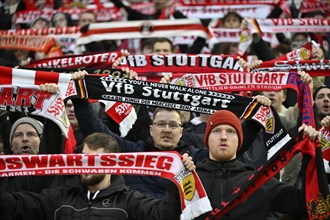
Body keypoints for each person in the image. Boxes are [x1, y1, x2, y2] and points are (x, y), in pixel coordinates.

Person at [0, 132, 195, 220]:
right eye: (83, 159)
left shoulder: (130, 201)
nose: (87, 165)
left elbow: (165, 215)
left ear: (113, 164)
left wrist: (178, 178)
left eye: (95, 160)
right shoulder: (57, 197)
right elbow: (11, 206)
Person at [166, 109, 319, 219]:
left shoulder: (260, 182)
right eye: (217, 131)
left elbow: (306, 202)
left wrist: (310, 157)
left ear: (239, 141)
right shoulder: (189, 179)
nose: (224, 137)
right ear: (206, 140)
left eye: (231, 131)